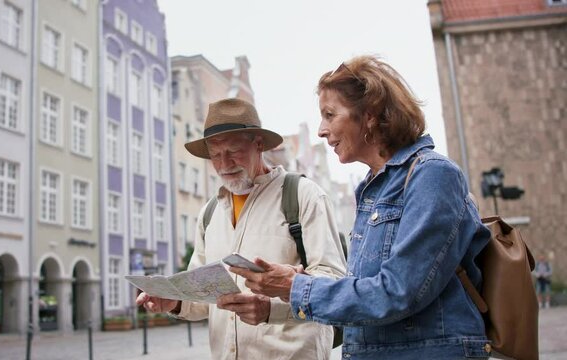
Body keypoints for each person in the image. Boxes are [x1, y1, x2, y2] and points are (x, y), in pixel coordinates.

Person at [230, 56, 494, 359]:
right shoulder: (373, 188)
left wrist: (295, 287)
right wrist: (288, 291)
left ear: (369, 115)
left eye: (330, 114)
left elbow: (398, 292)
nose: (321, 129)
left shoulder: (432, 175)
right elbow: (363, 291)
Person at [136, 98, 346, 359]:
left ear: (258, 144)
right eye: (215, 155)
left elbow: (336, 285)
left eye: (233, 150)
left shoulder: (303, 196)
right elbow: (202, 296)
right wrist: (175, 302)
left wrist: (272, 308)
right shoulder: (209, 214)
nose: (224, 164)